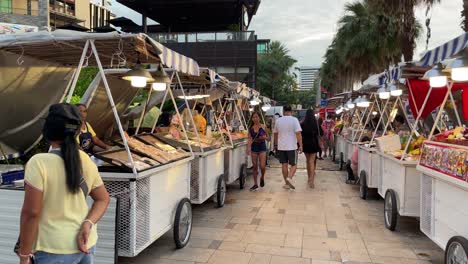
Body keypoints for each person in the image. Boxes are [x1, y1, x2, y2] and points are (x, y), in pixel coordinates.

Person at [19, 103, 110, 264]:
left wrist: (24, 256)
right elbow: (103, 199)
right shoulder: (85, 159)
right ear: (76, 131)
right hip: (86, 243)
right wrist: (88, 223)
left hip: (53, 249)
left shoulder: (38, 163)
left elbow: (31, 213)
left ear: (47, 130)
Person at [273, 105, 303, 190]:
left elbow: (275, 134)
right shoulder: (294, 120)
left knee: (284, 165)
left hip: (281, 146)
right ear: (291, 111)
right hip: (292, 146)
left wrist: (275, 145)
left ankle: (286, 184)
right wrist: (300, 145)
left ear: (283, 111)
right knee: (294, 165)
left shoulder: (278, 120)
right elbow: (298, 133)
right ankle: (289, 178)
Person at [247, 112, 269, 191]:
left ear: (259, 118)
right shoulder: (251, 128)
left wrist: (264, 137)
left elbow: (268, 138)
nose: (255, 119)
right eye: (253, 117)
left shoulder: (263, 126)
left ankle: (262, 177)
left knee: (262, 166)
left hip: (262, 147)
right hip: (254, 147)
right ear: (252, 119)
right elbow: (249, 139)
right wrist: (248, 148)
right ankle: (255, 184)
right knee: (255, 166)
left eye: (256, 117)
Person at [301, 109, 321, 188]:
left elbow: (300, 134)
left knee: (308, 161)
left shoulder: (303, 123)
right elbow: (321, 133)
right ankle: (312, 181)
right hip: (314, 143)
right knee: (312, 161)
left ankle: (309, 178)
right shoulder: (316, 123)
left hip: (305, 144)